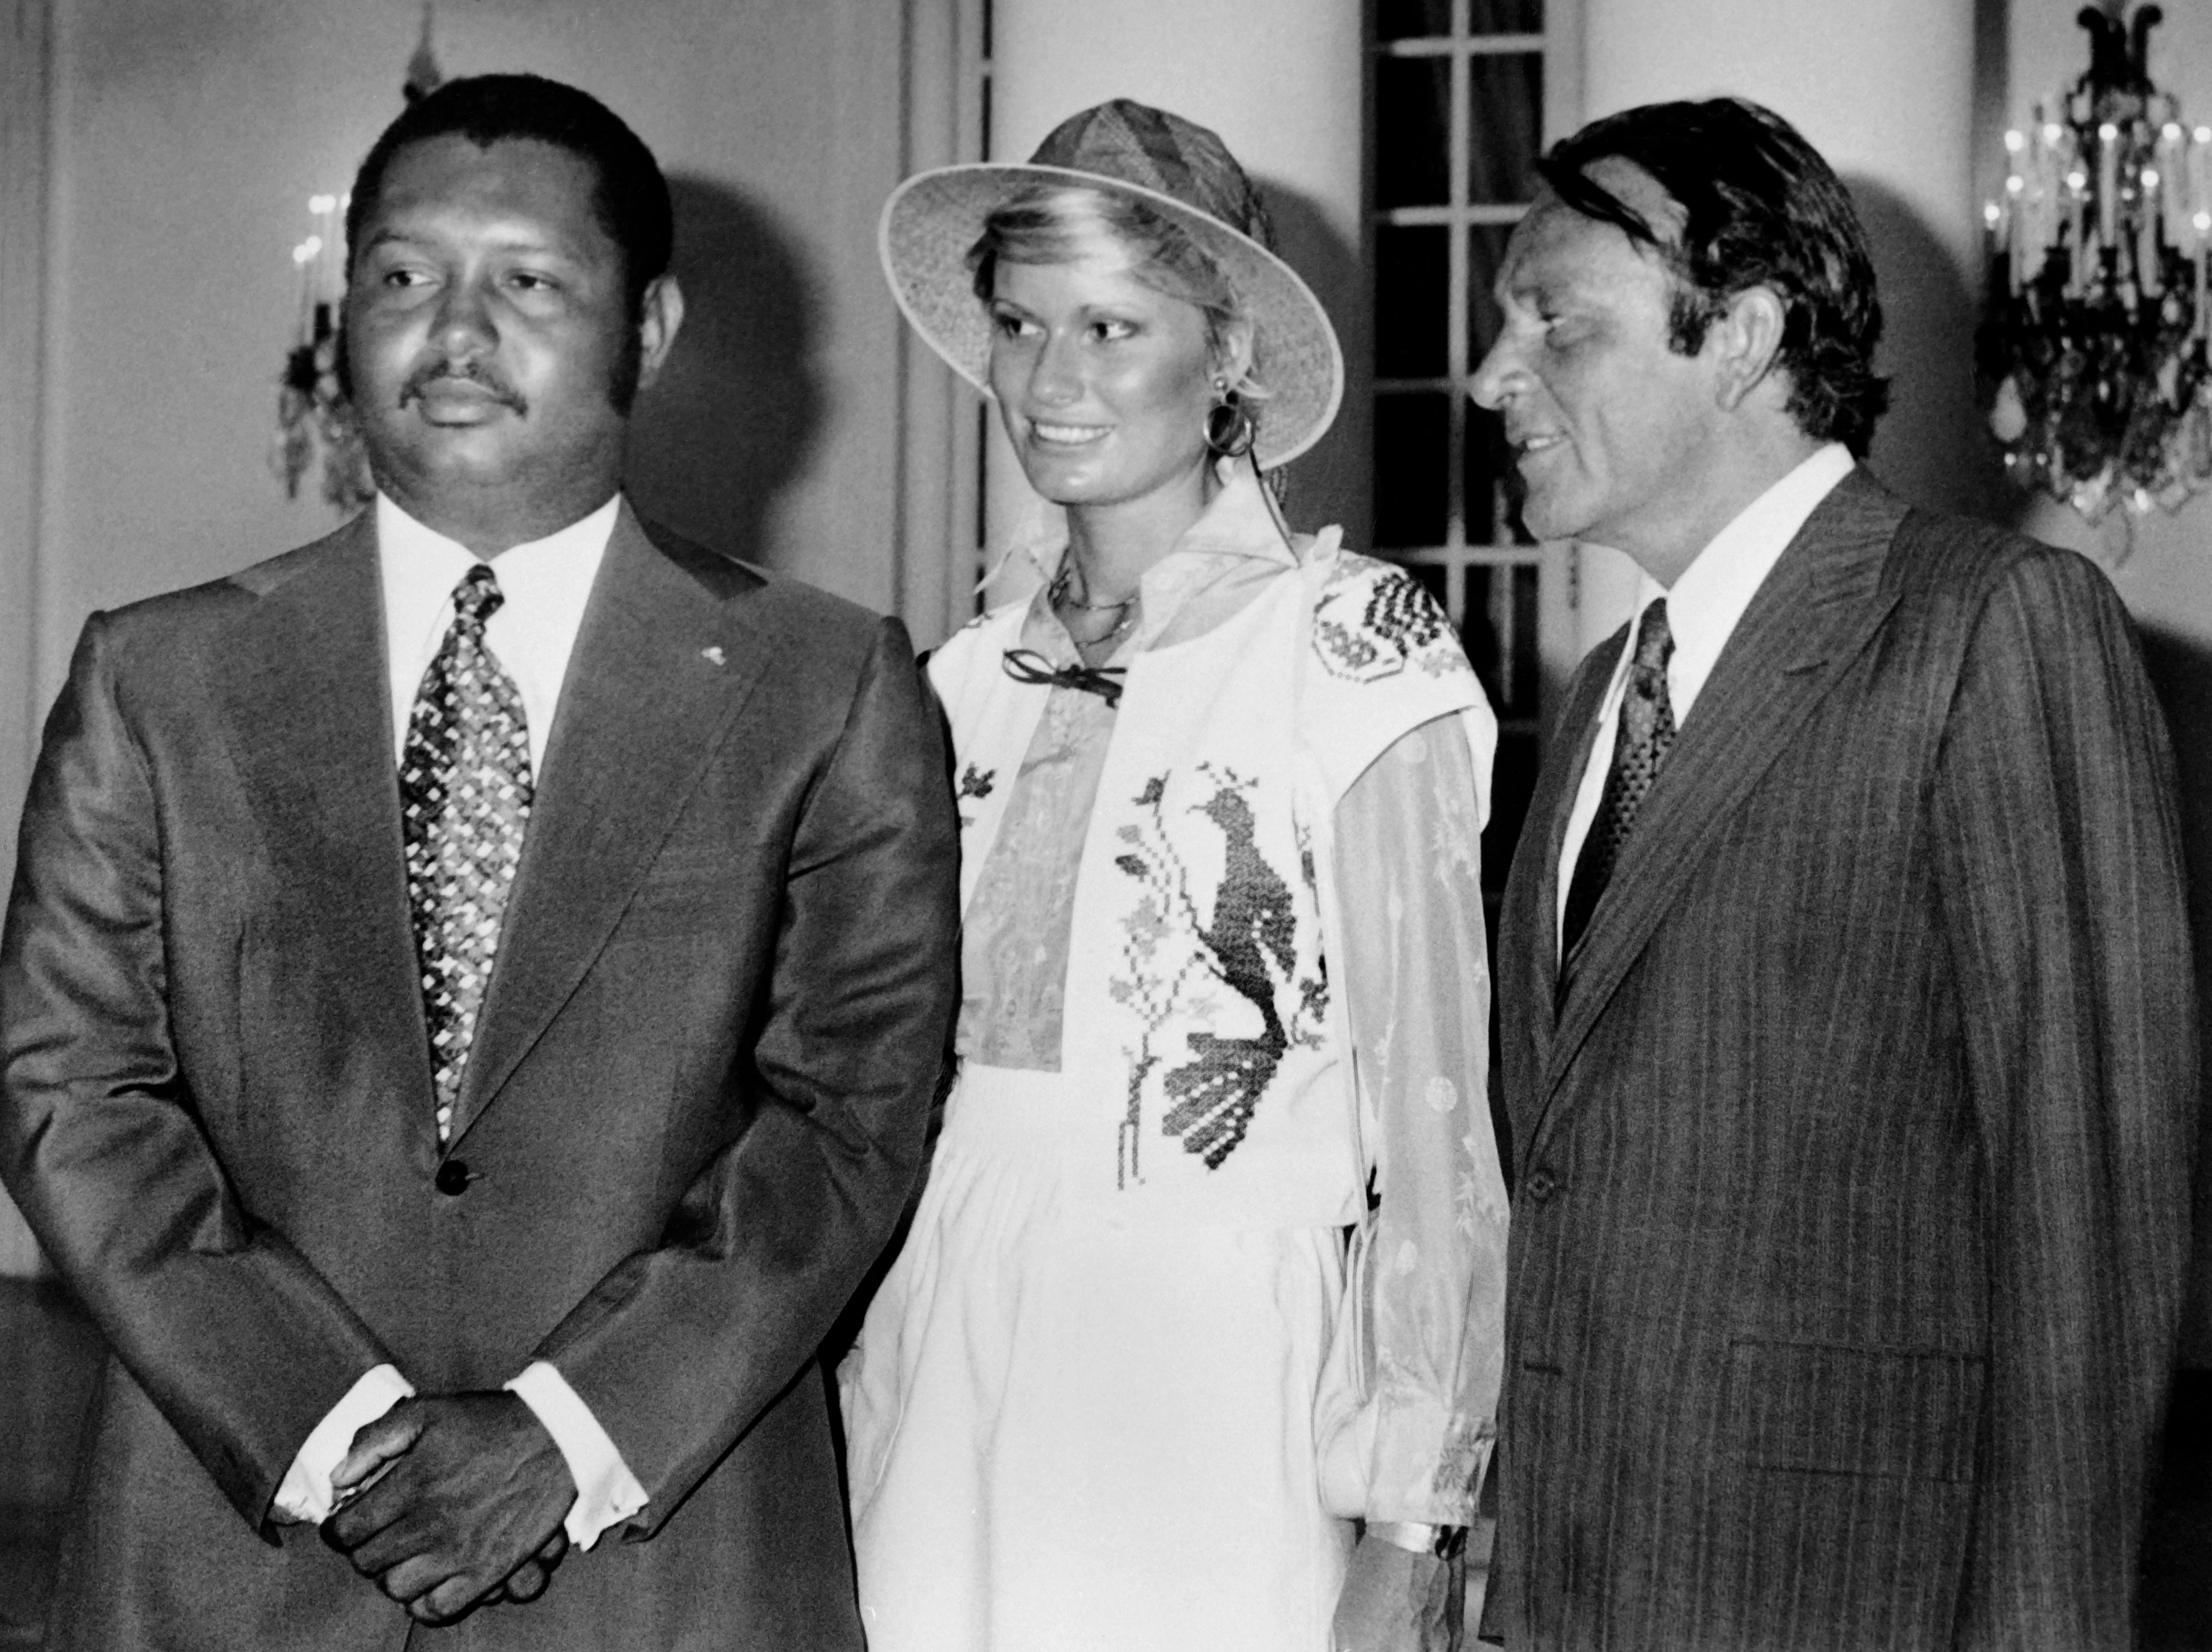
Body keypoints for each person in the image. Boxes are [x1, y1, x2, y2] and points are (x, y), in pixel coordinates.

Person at [0, 73, 958, 1650]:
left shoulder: (826, 683)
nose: (452, 330)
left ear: (643, 330)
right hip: (233, 1553)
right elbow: (69, 1087)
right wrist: (329, 1428)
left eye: (526, 280)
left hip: (662, 1556)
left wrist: (566, 1438)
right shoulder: (154, 679)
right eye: (400, 276)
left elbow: (848, 1115)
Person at [1471, 96, 2197, 1651]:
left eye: (1553, 324)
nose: (1491, 377)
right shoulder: (1605, 689)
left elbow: (2088, 1232)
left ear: (1735, 333)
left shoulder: (1992, 626)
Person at [841, 99, 1510, 1652]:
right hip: (938, 1354)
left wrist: (1411, 1521)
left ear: (1224, 360)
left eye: (1108, 325)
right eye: (1019, 323)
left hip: (1215, 1385)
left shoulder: (1351, 647)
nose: (1050, 380)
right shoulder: (951, 683)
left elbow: (1434, 1124)